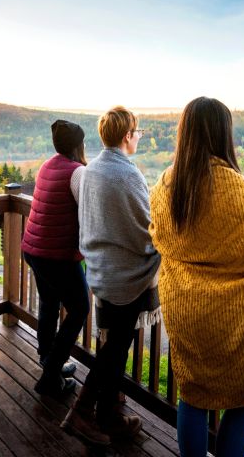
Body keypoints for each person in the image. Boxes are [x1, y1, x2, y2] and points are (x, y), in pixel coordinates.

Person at [149, 97, 244, 457]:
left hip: (184, 310)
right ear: (225, 135)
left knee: (191, 396)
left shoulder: (166, 185)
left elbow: (158, 235)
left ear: (185, 134)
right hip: (233, 320)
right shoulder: (243, 192)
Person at [61, 106, 161, 447]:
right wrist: (163, 244)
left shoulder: (90, 171)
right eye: (138, 131)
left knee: (117, 346)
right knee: (116, 348)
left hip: (100, 271)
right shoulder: (128, 174)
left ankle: (108, 415)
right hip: (125, 276)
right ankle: (82, 412)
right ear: (126, 136)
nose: (140, 136)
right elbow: (143, 231)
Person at [21, 120, 89, 398]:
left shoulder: (48, 165)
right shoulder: (78, 172)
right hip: (57, 256)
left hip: (34, 250)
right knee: (81, 308)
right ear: (77, 145)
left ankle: (49, 361)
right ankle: (50, 374)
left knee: (49, 305)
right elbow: (89, 212)